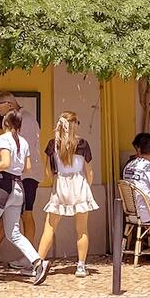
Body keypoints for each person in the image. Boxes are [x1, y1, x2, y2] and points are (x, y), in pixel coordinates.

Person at [0, 109, 49, 286]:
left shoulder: (3, 139)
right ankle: (37, 262)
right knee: (14, 232)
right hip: (18, 187)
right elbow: (26, 167)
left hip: (1, 186)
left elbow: (5, 163)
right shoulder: (24, 142)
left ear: (5, 123)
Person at [36, 112, 99, 277]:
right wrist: (87, 186)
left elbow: (48, 173)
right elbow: (89, 171)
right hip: (79, 185)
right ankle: (81, 266)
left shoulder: (53, 145)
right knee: (82, 229)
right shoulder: (83, 144)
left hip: (61, 186)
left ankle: (38, 264)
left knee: (49, 228)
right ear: (74, 125)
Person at [0, 91, 42, 271]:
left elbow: (21, 152)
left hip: (25, 177)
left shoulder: (25, 120)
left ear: (8, 104)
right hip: (19, 176)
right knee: (8, 215)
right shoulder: (24, 119)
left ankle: (29, 258)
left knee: (26, 215)